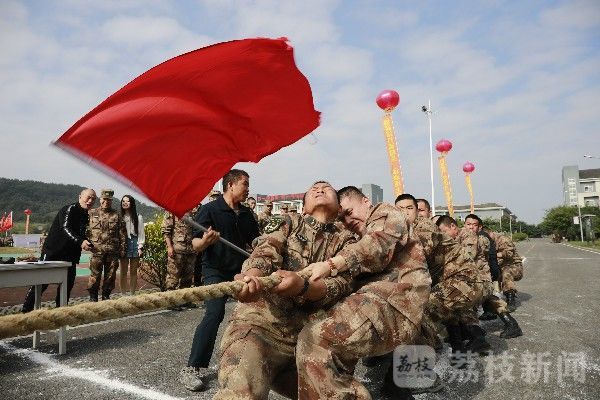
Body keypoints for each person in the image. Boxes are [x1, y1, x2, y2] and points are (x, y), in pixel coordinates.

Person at [213, 181, 357, 399]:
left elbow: (340, 286)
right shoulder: (289, 222)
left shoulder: (347, 242)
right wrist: (251, 278)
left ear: (338, 208)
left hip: (307, 343)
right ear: (305, 206)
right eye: (314, 189)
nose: (319, 190)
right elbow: (265, 251)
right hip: (262, 328)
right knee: (240, 392)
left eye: (326, 188)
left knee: (356, 396)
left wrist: (303, 287)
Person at [297, 188, 431, 399]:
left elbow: (377, 246)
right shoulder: (352, 236)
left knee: (314, 339)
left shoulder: (384, 212)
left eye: (350, 212)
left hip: (396, 302)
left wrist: (332, 264)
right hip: (377, 302)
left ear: (366, 201)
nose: (348, 220)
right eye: (342, 217)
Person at [180, 169, 260, 392]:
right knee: (214, 313)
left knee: (258, 311)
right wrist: (206, 240)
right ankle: (192, 368)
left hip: (241, 270)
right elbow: (195, 245)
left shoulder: (245, 213)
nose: (248, 189)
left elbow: (255, 240)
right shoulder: (210, 210)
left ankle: (262, 361)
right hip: (215, 270)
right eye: (245, 184)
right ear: (231, 185)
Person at [21, 189, 96, 312]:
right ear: (80, 197)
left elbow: (80, 234)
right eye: (88, 197)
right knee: (41, 283)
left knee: (67, 285)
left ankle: (60, 312)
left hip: (70, 255)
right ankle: (25, 311)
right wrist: (80, 241)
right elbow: (65, 228)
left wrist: (88, 242)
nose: (90, 201)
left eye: (93, 199)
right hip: (53, 251)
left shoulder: (85, 215)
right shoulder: (69, 209)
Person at [459, 214, 522, 339]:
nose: (471, 227)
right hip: (479, 277)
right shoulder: (466, 237)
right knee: (487, 299)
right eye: (468, 224)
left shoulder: (481, 239)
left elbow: (470, 257)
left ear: (480, 227)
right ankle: (509, 324)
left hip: (500, 270)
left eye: (474, 225)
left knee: (470, 300)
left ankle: (475, 334)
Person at [87, 189, 127, 301]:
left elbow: (122, 234)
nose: (106, 202)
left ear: (111, 200)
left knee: (110, 275)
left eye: (109, 200)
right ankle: (93, 296)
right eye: (104, 199)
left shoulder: (117, 215)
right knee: (95, 275)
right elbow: (85, 231)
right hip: (96, 251)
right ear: (100, 199)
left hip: (112, 251)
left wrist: (123, 249)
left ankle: (106, 295)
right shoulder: (91, 213)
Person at [162, 204, 200, 307]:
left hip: (190, 250)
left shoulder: (194, 212)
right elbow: (166, 231)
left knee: (187, 277)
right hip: (177, 249)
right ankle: (171, 301)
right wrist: (169, 247)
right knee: (173, 276)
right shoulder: (173, 211)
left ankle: (185, 300)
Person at [118, 195, 145, 295]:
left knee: (133, 272)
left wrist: (140, 247)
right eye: (123, 201)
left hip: (135, 243)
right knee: (123, 271)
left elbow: (141, 233)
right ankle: (123, 294)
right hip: (123, 244)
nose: (125, 203)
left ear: (132, 203)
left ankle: (132, 294)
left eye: (128, 201)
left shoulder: (138, 217)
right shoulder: (119, 216)